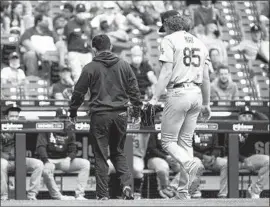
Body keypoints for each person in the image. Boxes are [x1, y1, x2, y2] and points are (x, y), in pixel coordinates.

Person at [68, 34, 142, 200]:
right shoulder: (124, 65)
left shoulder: (90, 67)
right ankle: (127, 185)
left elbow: (78, 92)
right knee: (119, 153)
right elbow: (135, 91)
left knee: (101, 156)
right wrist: (137, 112)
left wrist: (72, 112)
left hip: (100, 115)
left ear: (94, 49)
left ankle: (102, 195)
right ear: (111, 47)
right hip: (121, 114)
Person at [148, 11, 211, 199]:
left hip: (178, 92)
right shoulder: (200, 42)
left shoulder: (169, 40)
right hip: (197, 94)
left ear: (168, 25)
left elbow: (166, 71)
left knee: (168, 141)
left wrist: (154, 98)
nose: (163, 30)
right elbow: (207, 77)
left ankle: (190, 164)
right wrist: (207, 104)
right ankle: (184, 192)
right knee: (185, 142)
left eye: (164, 27)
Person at [36, 108, 90, 200]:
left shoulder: (69, 130)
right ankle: (58, 196)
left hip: (64, 161)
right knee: (46, 171)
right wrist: (46, 161)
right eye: (61, 118)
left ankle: (79, 195)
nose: (63, 120)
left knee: (85, 164)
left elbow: (73, 149)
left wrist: (68, 158)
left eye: (65, 118)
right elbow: (41, 147)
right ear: (55, 118)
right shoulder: (47, 128)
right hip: (50, 160)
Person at [1, 104, 44, 200]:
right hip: (5, 160)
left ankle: (31, 195)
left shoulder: (22, 126)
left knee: (38, 164)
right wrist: (12, 157)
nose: (14, 118)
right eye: (12, 116)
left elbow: (35, 121)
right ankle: (3, 196)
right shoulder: (1, 128)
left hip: (19, 159)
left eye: (16, 116)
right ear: (6, 117)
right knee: (1, 164)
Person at [63, 3, 93, 82]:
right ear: (75, 13)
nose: (81, 14)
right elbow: (65, 40)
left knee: (89, 77)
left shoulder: (88, 24)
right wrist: (65, 54)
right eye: (79, 12)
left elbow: (91, 38)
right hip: (74, 52)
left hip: (87, 52)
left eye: (82, 12)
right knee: (78, 76)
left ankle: (88, 94)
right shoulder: (69, 24)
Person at [132, 132, 150, 199]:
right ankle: (102, 192)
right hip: (119, 156)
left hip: (136, 156)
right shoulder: (121, 123)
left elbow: (148, 124)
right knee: (107, 167)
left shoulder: (142, 130)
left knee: (137, 169)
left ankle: (137, 192)